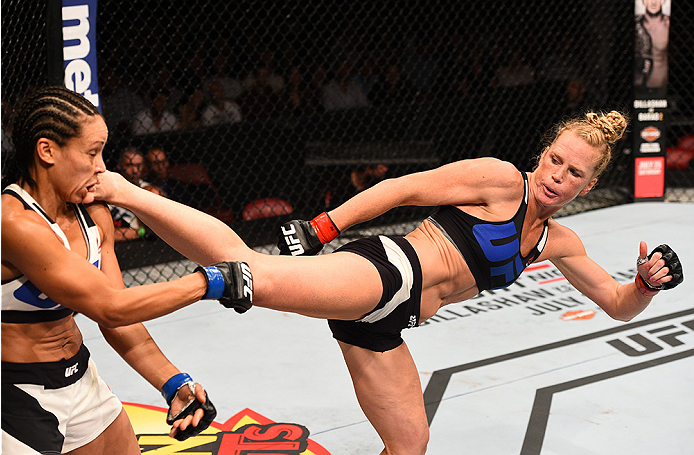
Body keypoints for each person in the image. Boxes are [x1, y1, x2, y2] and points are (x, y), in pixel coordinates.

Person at [93, 110, 683, 455]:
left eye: (574, 173)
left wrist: (646, 285)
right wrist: (325, 225)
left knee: (410, 444)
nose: (558, 175)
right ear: (544, 152)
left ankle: (139, 211)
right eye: (555, 159)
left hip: (387, 324)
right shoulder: (502, 180)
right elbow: (404, 189)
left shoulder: (558, 242)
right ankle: (121, 210)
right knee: (247, 277)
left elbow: (616, 305)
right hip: (383, 274)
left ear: (588, 184)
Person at [1, 86, 252, 454]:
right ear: (47, 151)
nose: (102, 166)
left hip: (79, 378)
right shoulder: (14, 222)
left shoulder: (93, 214)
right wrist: (210, 281)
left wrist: (173, 384)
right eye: (91, 152)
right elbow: (109, 307)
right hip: (14, 395)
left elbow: (120, 316)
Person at [634, 0, 670, 92]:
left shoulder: (668, 25)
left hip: (661, 85)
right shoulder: (635, 24)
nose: (654, 2)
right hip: (636, 85)